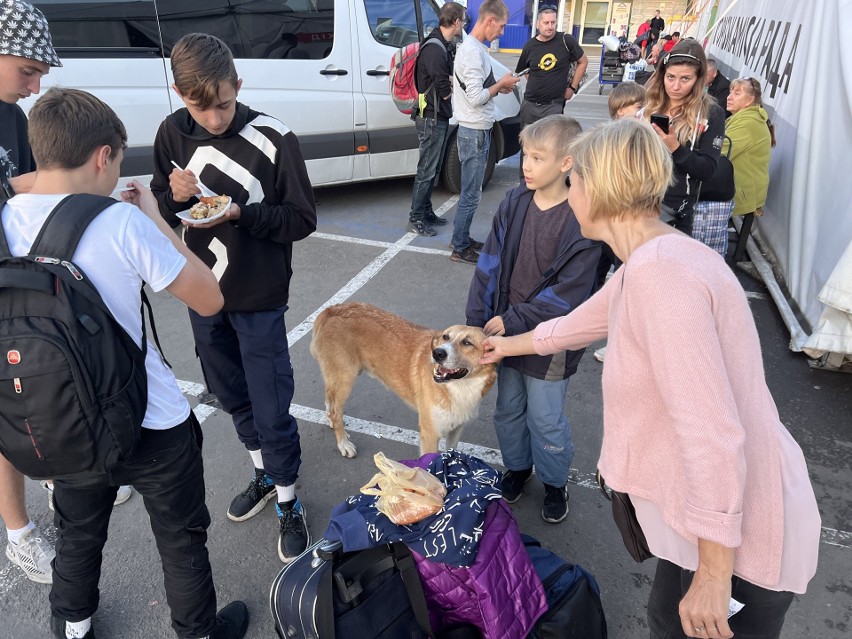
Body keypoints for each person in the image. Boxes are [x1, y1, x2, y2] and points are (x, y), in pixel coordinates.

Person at [480, 117, 820, 639]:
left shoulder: (662, 276)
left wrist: (712, 573)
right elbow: (575, 326)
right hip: (711, 526)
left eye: (575, 181)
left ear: (597, 187)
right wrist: (503, 345)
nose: (569, 195)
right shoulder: (655, 257)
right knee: (663, 620)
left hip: (736, 543)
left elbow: (711, 433)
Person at [3, 86, 249, 639]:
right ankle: (198, 631)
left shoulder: (4, 218)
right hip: (150, 420)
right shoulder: (120, 223)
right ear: (101, 156)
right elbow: (209, 297)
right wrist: (159, 219)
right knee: (181, 536)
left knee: (78, 533)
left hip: (55, 416)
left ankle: (74, 626)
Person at [150, 33, 317, 563]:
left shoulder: (274, 136)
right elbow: (163, 200)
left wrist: (242, 213)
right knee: (229, 392)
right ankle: (263, 474)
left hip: (261, 293)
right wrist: (171, 198)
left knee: (271, 400)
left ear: (238, 86)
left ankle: (289, 499)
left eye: (223, 103)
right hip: (203, 292)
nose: (215, 117)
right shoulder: (171, 134)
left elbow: (302, 219)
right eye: (201, 107)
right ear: (180, 94)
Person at [466, 115, 600, 524]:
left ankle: (555, 482)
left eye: (537, 157)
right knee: (508, 409)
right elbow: (488, 263)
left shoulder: (582, 218)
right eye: (525, 155)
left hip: (551, 342)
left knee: (545, 418)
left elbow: (570, 295)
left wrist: (515, 317)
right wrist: (477, 319)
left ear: (566, 163)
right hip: (502, 333)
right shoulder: (515, 202)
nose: (526, 165)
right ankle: (518, 468)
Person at [449, 0, 519, 264]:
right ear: (490, 21)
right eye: (500, 26)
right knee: (471, 193)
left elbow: (473, 89)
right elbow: (477, 97)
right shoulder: (471, 52)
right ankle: (459, 246)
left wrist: (499, 86)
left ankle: (461, 239)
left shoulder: (475, 48)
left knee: (471, 191)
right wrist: (500, 83)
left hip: (476, 129)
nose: (501, 32)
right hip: (474, 130)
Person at [643, 39, 724, 236]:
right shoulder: (650, 101)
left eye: (685, 79)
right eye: (670, 77)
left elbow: (707, 170)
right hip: (636, 199)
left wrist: (676, 148)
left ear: (699, 79)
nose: (676, 86)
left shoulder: (711, 112)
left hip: (673, 210)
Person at [594, 81, 646, 362]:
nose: (633, 113)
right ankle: (583, 328)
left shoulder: (645, 140)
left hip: (629, 225)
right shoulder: (609, 137)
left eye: (637, 107)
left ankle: (621, 342)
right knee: (596, 277)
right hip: (608, 223)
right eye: (625, 109)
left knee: (626, 284)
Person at [406, 1, 465, 237]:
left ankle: (426, 211)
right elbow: (442, 86)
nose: (463, 25)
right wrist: (454, 93)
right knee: (426, 170)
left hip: (433, 115)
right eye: (463, 20)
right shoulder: (435, 48)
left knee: (433, 167)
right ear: (456, 22)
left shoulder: (440, 43)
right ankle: (415, 217)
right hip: (430, 116)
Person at [515, 4, 588, 180]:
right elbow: (523, 71)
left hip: (553, 106)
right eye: (546, 22)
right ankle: (524, 183)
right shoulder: (530, 46)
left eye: (553, 22)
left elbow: (583, 62)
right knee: (527, 146)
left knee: (552, 147)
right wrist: (538, 84)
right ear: (538, 24)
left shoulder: (566, 41)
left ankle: (549, 181)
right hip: (530, 105)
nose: (550, 26)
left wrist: (572, 88)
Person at [725, 77, 776, 263]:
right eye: (730, 91)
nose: (729, 97)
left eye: (736, 93)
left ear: (749, 101)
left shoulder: (748, 123)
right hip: (742, 186)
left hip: (743, 192)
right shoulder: (746, 117)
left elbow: (720, 151)